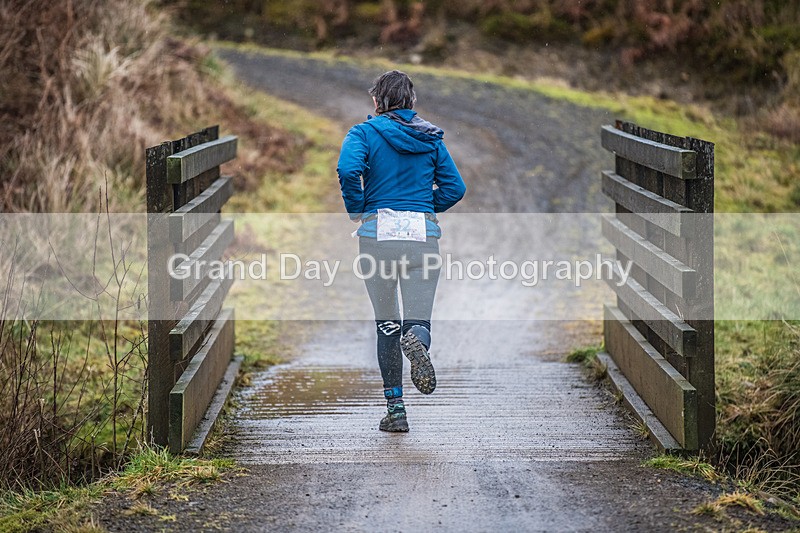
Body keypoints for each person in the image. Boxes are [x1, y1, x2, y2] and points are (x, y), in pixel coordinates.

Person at [336, 70, 466, 432]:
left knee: (386, 323)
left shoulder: (363, 133)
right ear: (411, 102)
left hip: (377, 238)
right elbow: (456, 187)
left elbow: (348, 170)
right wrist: (424, 206)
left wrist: (358, 209)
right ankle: (418, 340)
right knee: (418, 320)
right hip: (421, 238)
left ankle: (396, 411)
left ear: (377, 101)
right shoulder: (431, 139)